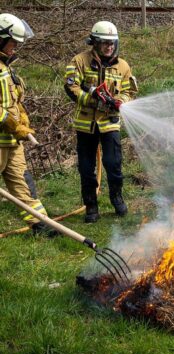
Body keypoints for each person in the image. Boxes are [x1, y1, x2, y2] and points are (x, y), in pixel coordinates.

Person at [64, 21, 137, 223]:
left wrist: (120, 101)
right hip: (86, 124)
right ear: (94, 42)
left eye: (112, 43)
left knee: (113, 163)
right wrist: (91, 98)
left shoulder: (122, 66)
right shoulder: (79, 61)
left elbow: (129, 91)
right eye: (105, 43)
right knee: (86, 168)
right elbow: (71, 87)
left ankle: (117, 198)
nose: (109, 47)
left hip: (110, 122)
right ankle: (91, 206)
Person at [0, 13, 57, 236]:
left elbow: (13, 101)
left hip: (12, 144)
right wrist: (14, 125)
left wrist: (22, 118)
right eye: (13, 42)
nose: (16, 47)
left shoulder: (6, 67)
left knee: (23, 185)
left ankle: (41, 225)